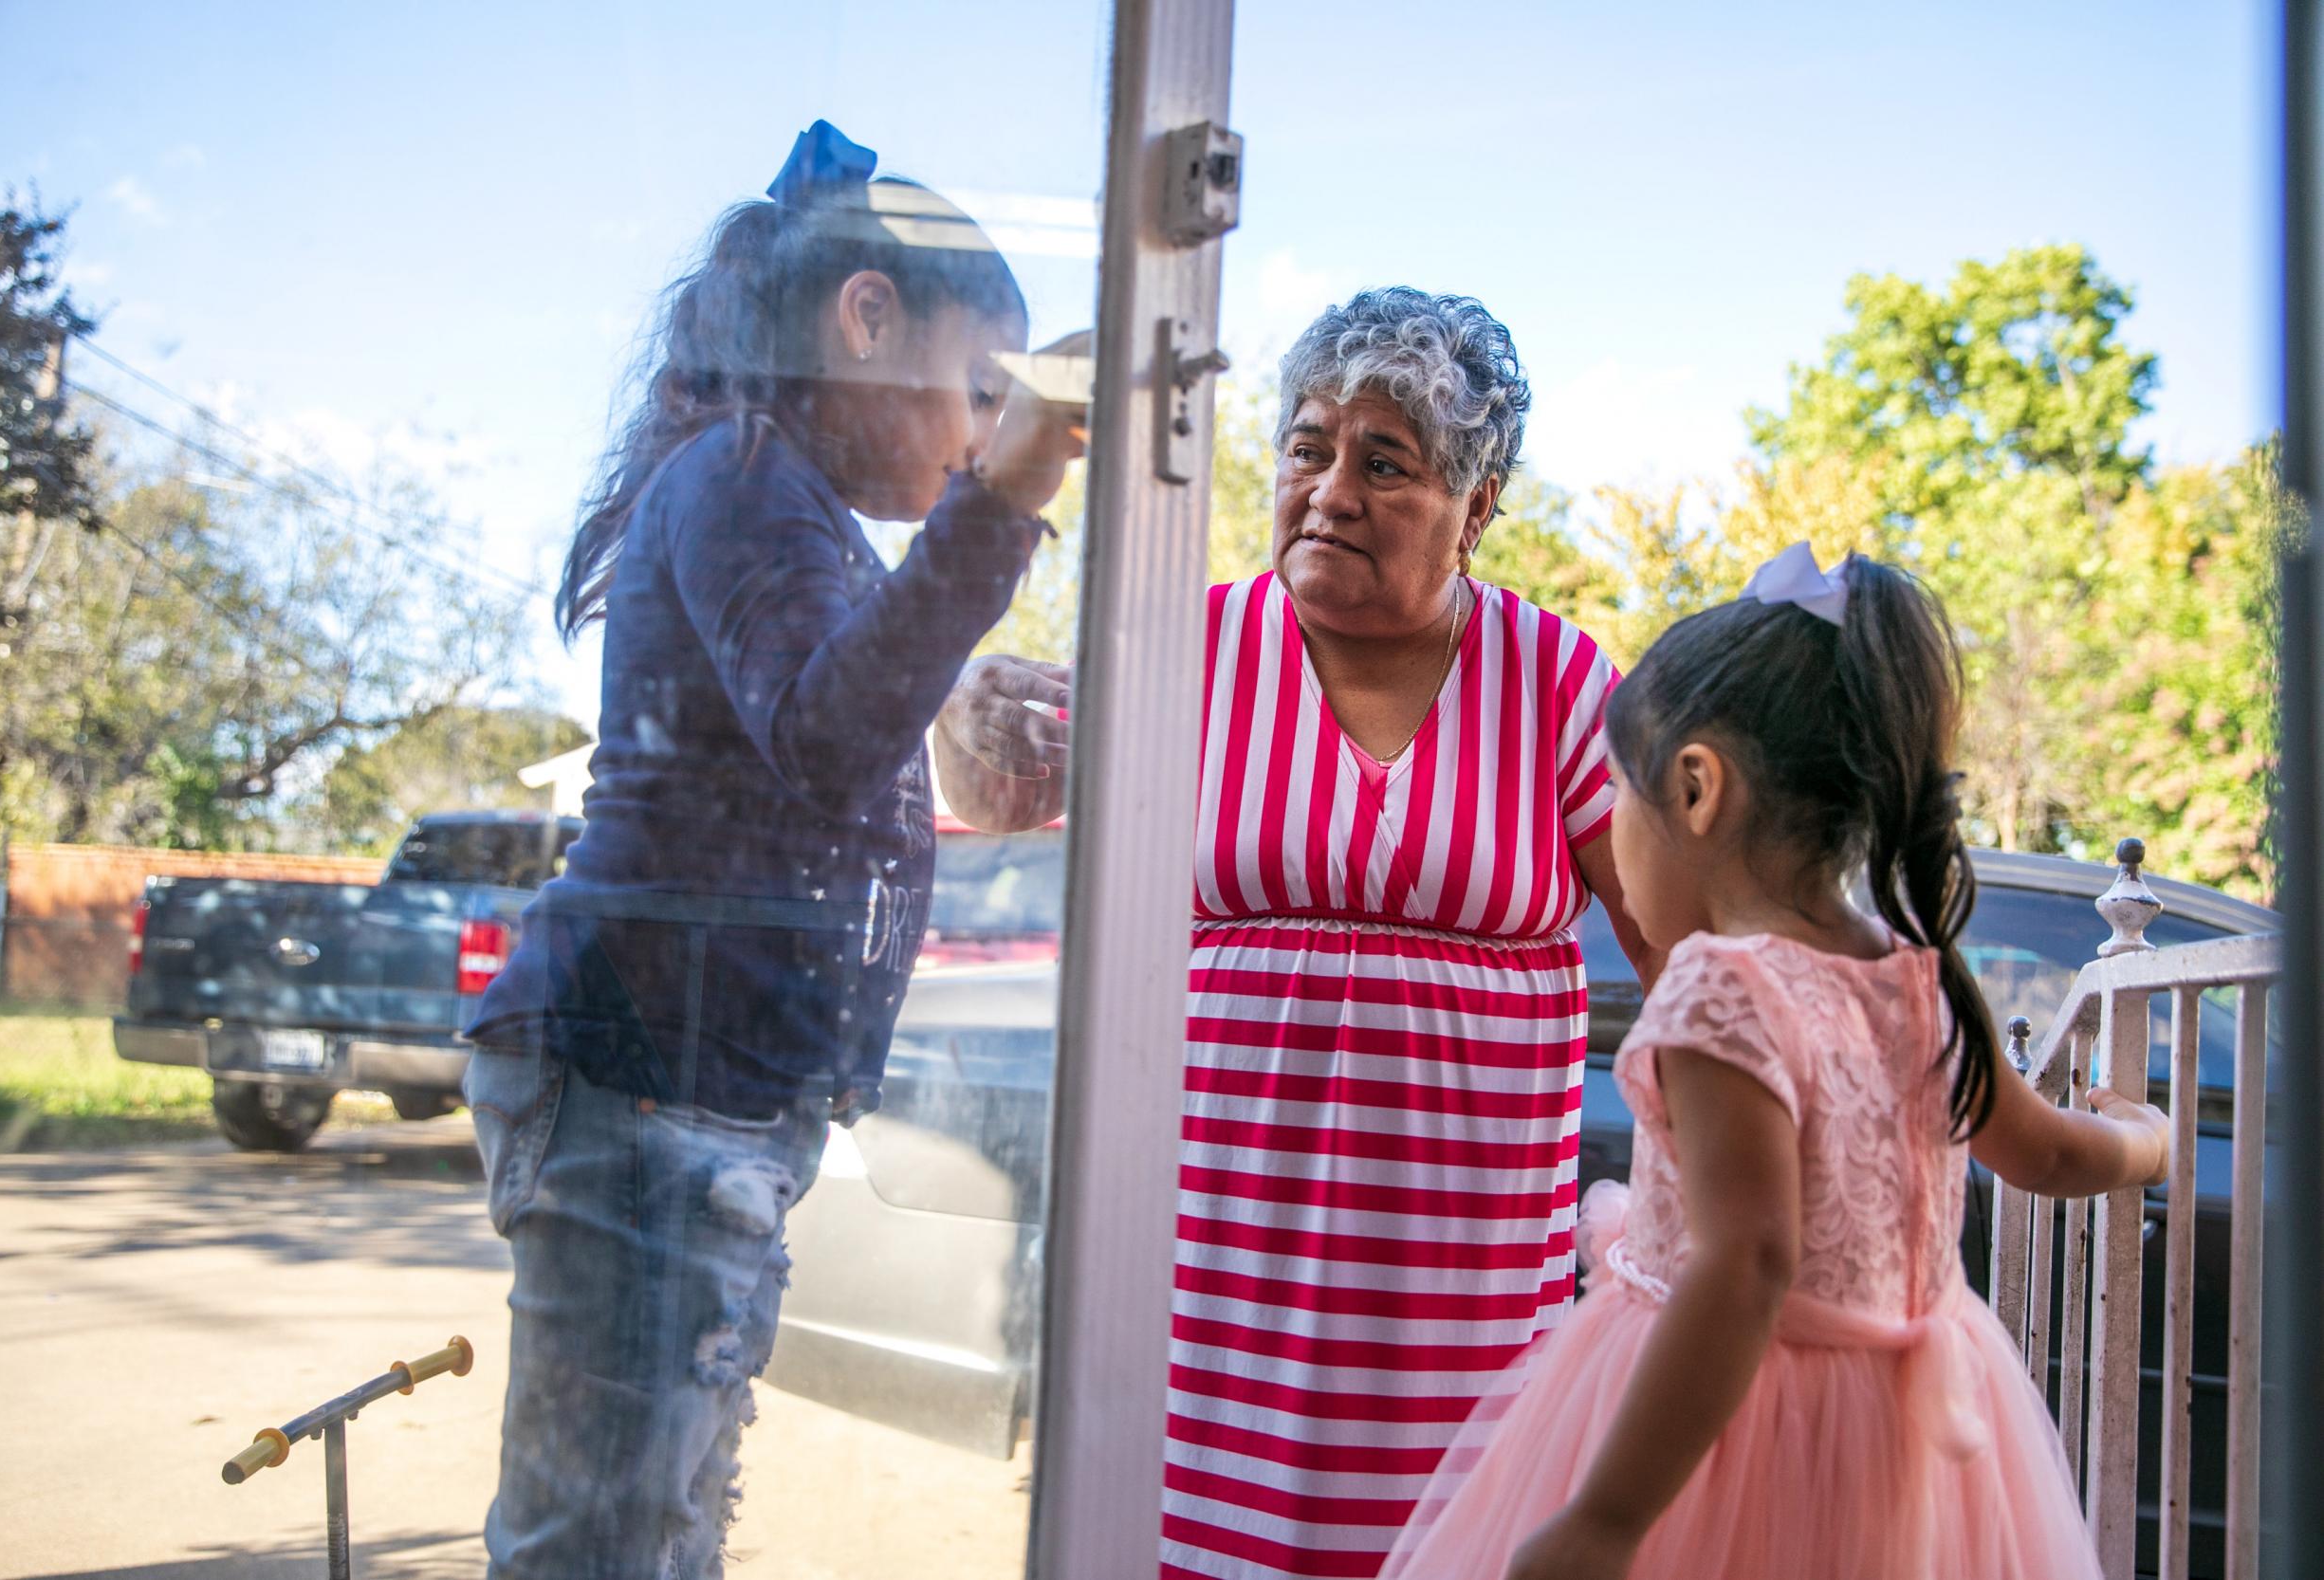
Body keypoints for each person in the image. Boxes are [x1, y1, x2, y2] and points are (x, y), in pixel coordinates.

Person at [939, 286, 1659, 1580]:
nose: (1329, 490)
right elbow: (992, 801)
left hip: (1459, 1311)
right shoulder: (1187, 650)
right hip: (1209, 1293)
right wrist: (963, 708)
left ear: (1476, 509)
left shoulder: (1556, 680)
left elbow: (1678, 956)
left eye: (1384, 463)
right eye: (1308, 446)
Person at [458, 120, 1084, 1579]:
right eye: (976, 394)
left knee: (663, 1508)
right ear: (867, 319)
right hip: (644, 1080)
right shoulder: (741, 472)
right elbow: (819, 730)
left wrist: (953, 733)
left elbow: (793, 772)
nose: (974, 439)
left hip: (699, 1089)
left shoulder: (792, 506)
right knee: (606, 1536)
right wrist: (1006, 493)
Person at [1378, 544, 2170, 1580]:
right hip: (1899, 1445)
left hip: (1729, 1441)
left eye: (1619, 795)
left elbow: (1747, 1261)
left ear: (1697, 789)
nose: (1610, 835)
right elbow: (2052, 1157)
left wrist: (1607, 1519)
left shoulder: (1717, 990)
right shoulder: (1916, 978)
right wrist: (2146, 1140)